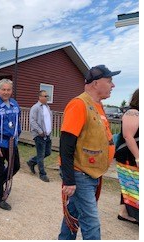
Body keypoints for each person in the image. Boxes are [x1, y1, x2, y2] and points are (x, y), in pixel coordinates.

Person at [58, 65, 120, 240]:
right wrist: (69, 180)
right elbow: (66, 145)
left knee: (73, 214)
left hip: (91, 173)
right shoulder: (79, 104)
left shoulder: (98, 106)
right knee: (91, 222)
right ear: (95, 83)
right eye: (109, 81)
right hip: (80, 174)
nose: (113, 85)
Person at [0, 78, 21, 211]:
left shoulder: (14, 104)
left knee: (15, 166)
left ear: (11, 90)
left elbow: (17, 122)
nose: (6, 92)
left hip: (12, 142)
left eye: (8, 90)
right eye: (3, 89)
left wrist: (17, 134)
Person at [115, 88, 139, 224]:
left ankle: (124, 212)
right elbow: (128, 136)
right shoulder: (133, 112)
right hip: (129, 155)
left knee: (130, 183)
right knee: (133, 184)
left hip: (132, 155)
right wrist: (138, 157)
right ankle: (129, 213)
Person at [26, 90, 52, 182]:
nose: (46, 98)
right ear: (40, 97)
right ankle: (42, 174)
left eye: (47, 96)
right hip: (39, 135)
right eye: (45, 96)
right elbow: (32, 121)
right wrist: (40, 131)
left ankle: (32, 162)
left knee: (48, 152)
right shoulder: (35, 107)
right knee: (41, 155)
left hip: (47, 134)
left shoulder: (47, 107)